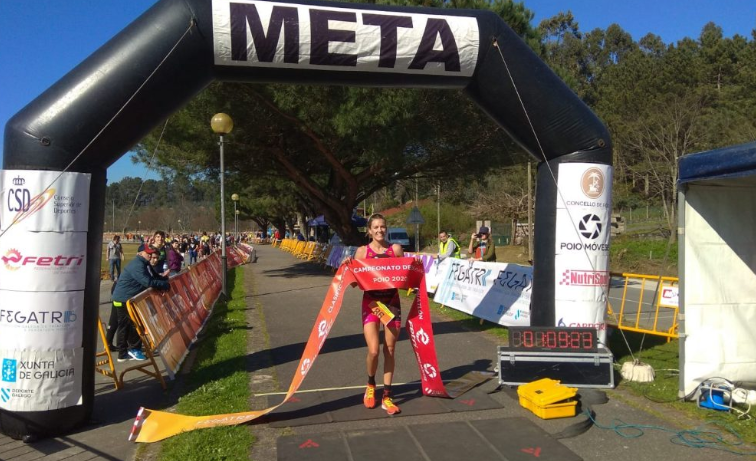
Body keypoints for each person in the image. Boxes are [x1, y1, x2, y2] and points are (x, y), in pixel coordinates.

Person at [343, 213, 404, 416]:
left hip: (391, 303)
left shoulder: (395, 250)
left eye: (383, 227)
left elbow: (403, 277)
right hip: (372, 304)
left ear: (386, 229)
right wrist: (348, 267)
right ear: (369, 231)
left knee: (390, 349)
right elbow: (353, 284)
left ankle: (387, 395)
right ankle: (371, 384)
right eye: (375, 227)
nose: (379, 230)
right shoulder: (362, 252)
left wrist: (415, 269)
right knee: (374, 351)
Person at [111, 246, 170, 362]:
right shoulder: (137, 265)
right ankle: (128, 351)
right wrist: (164, 285)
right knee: (129, 324)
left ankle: (128, 351)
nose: (150, 255)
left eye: (151, 253)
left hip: (129, 298)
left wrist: (164, 281)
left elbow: (154, 276)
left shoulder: (145, 264)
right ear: (140, 253)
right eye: (148, 253)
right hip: (122, 299)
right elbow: (147, 281)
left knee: (133, 324)